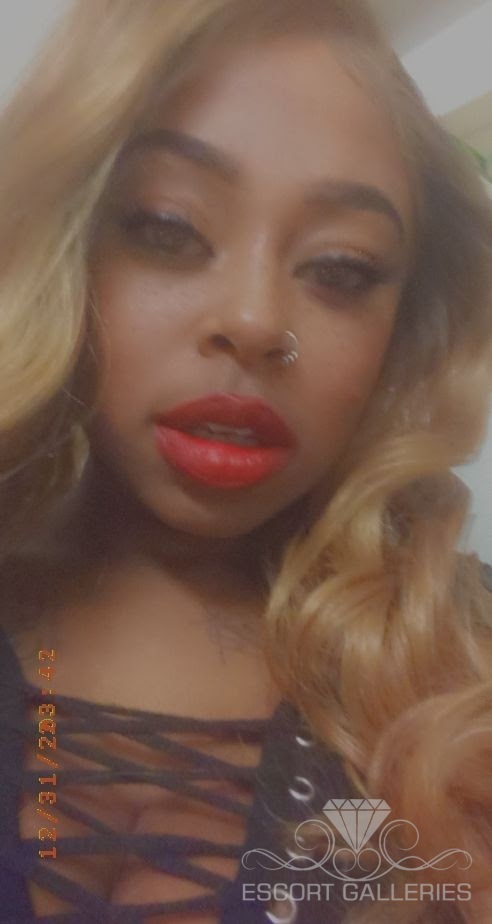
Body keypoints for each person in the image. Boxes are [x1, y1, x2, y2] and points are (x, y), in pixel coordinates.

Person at [0, 0, 491, 921]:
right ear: (58, 244)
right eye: (166, 226)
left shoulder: (464, 666)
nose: (258, 321)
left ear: (402, 330)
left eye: (341, 269)